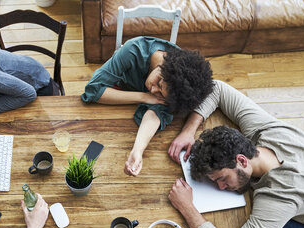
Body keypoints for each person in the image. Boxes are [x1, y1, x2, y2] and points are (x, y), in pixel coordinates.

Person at [167, 80, 304, 228]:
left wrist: (187, 207)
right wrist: (189, 130)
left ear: (242, 160)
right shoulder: (265, 131)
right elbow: (216, 88)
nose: (221, 187)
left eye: (221, 178)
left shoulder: (280, 197)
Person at [81, 36, 214, 177]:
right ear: (164, 66)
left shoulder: (180, 88)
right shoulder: (133, 50)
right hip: (117, 91)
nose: (154, 90)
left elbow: (157, 113)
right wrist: (144, 97)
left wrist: (137, 151)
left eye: (162, 94)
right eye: (160, 83)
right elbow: (93, 90)